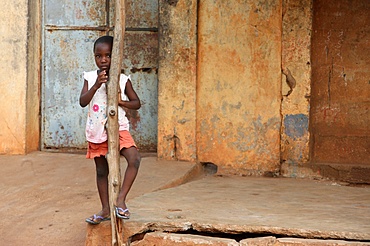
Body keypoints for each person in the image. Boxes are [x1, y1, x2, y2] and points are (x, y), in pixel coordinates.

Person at [79, 35, 141, 225]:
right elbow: (83, 102)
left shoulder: (123, 80)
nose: (103, 60)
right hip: (97, 130)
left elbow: (136, 103)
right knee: (101, 171)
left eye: (108, 55)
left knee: (134, 159)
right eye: (99, 56)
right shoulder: (90, 77)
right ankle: (105, 208)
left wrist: (119, 101)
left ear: (116, 57)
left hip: (119, 127)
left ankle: (120, 199)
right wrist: (97, 84)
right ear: (94, 57)